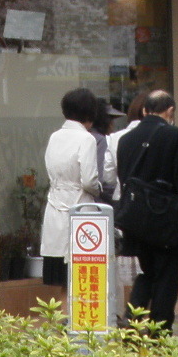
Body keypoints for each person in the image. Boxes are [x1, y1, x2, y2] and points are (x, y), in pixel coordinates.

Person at [115, 90, 178, 328]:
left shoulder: (125, 140)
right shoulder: (175, 135)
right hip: (166, 222)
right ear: (170, 111)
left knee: (147, 272)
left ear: (144, 110)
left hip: (136, 221)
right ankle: (160, 333)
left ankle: (133, 324)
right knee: (166, 278)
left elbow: (124, 179)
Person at [41, 87, 105, 288]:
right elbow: (89, 180)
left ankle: (61, 316)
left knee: (59, 276)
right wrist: (99, 189)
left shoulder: (54, 136)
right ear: (90, 113)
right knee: (81, 270)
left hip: (54, 205)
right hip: (79, 206)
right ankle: (78, 319)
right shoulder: (86, 138)